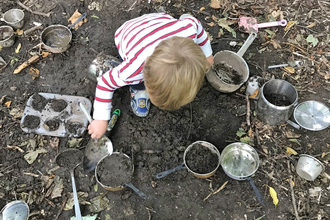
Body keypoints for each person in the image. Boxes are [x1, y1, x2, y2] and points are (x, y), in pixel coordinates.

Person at [88, 13, 214, 139]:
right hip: (127, 35)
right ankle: (138, 89)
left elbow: (196, 23)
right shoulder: (132, 70)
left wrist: (207, 55)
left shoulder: (189, 30)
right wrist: (101, 119)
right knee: (136, 82)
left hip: (157, 22)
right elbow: (105, 84)